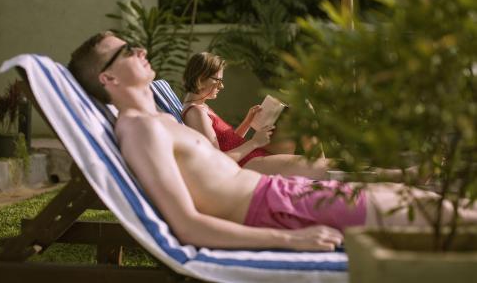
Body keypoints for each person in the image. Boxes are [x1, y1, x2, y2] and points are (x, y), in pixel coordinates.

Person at [67, 31, 477, 252]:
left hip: (282, 194)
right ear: (108, 78)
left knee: (407, 197)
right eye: (123, 49)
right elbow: (187, 226)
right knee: (434, 213)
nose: (138, 48)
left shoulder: (157, 119)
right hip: (276, 209)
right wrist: (290, 239)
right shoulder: (139, 129)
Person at [182, 52, 329, 179]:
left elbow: (227, 143)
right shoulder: (196, 113)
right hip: (248, 163)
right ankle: (322, 166)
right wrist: (254, 142)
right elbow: (218, 161)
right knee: (322, 166)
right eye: (217, 80)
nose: (221, 86)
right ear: (200, 79)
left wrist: (248, 120)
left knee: (301, 107)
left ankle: (319, 162)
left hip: (251, 155)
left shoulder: (201, 107)